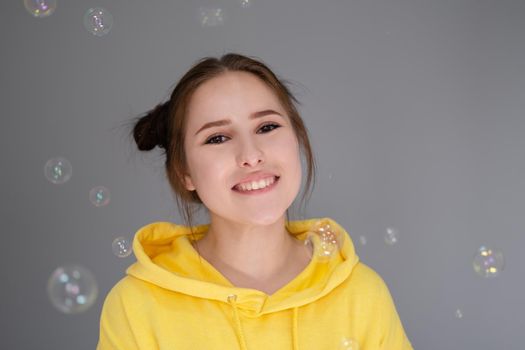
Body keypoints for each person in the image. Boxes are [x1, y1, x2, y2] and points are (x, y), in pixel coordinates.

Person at [96, 53, 413, 350]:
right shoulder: (135, 306)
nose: (251, 156)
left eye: (267, 127)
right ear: (184, 171)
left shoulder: (362, 294)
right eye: (218, 137)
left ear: (297, 140)